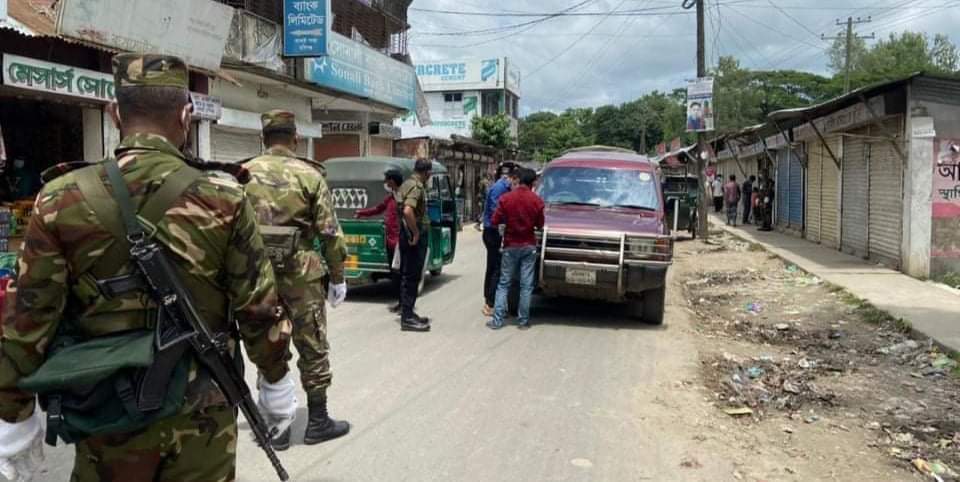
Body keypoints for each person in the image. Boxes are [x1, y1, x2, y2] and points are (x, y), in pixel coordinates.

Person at [0, 54, 293, 481]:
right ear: (186, 115)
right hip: (204, 408)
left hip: (104, 405)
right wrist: (276, 382)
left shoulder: (59, 198)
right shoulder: (225, 197)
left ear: (114, 112)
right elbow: (258, 308)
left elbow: (28, 320)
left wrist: (13, 413)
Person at [243, 110, 350, 450]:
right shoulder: (310, 175)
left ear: (264, 138)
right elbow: (330, 234)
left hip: (258, 276)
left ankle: (279, 427)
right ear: (295, 138)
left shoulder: (243, 173)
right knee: (312, 344)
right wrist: (337, 277)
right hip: (302, 275)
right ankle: (317, 421)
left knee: (269, 344)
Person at [488, 168, 545, 330]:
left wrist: (506, 223)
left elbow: (495, 219)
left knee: (504, 283)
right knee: (526, 286)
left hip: (510, 245)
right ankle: (523, 321)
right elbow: (540, 224)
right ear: (533, 182)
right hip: (528, 245)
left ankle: (497, 321)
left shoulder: (506, 199)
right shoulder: (537, 201)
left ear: (519, 180)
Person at [356, 169, 403, 313]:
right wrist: (362, 213)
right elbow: (378, 209)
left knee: (401, 274)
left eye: (387, 180)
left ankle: (405, 304)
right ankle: (401, 302)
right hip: (389, 243)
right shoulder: (390, 198)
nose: (385, 183)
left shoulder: (402, 197)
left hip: (399, 244)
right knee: (394, 274)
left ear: (392, 181)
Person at [398, 159, 434, 331]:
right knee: (412, 276)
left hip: (405, 234)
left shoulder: (406, 183)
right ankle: (407, 318)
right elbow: (407, 210)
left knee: (407, 275)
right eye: (430, 172)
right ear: (426, 172)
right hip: (412, 236)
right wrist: (416, 232)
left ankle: (408, 313)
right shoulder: (417, 187)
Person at [481, 165, 517, 316]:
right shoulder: (499, 188)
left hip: (497, 230)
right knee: (495, 267)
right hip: (493, 232)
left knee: (496, 267)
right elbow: (497, 211)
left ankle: (493, 301)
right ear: (511, 178)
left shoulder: (505, 188)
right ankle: (490, 303)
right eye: (516, 182)